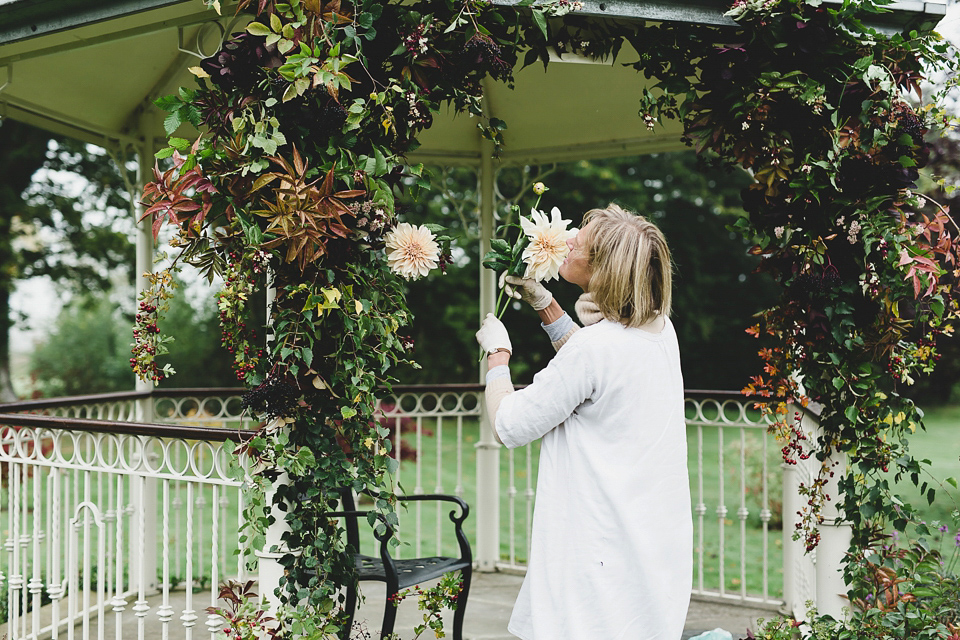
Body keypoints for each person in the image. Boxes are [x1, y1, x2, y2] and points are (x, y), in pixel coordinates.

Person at [475, 203, 692, 639]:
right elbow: (595, 366)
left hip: (598, 552)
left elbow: (509, 424)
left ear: (603, 269)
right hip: (647, 545)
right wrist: (545, 303)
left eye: (581, 242)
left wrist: (497, 356)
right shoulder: (659, 329)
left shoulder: (594, 350)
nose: (569, 239)